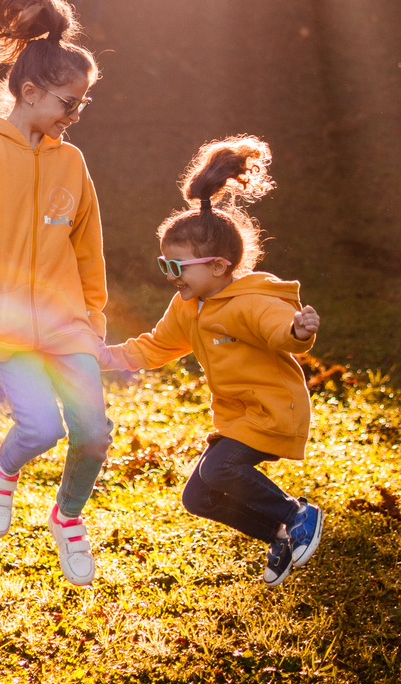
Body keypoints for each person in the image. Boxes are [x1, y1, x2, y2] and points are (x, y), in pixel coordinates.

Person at [0, 0, 111, 586]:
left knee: (93, 433)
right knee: (40, 427)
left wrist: (94, 317)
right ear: (32, 91)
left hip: (68, 322)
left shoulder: (72, 160)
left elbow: (87, 242)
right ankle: (2, 467)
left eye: (82, 104)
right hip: (6, 319)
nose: (76, 114)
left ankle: (67, 518)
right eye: (70, 103)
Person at [97, 135, 324, 589]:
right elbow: (156, 347)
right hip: (238, 416)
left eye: (178, 268)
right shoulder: (189, 307)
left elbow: (277, 326)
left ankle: (297, 514)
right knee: (199, 496)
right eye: (165, 266)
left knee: (219, 470)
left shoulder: (249, 301)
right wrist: (104, 357)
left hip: (273, 409)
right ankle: (278, 534)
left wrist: (298, 330)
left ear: (219, 267)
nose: (170, 277)